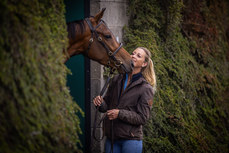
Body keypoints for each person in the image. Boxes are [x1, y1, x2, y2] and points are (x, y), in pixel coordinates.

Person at [93, 47, 156, 153]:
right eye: (133, 53)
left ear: (144, 64)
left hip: (131, 140)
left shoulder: (145, 88)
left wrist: (120, 114)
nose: (133, 56)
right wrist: (100, 103)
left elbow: (142, 118)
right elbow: (106, 106)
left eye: (138, 56)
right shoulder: (116, 79)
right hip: (112, 137)